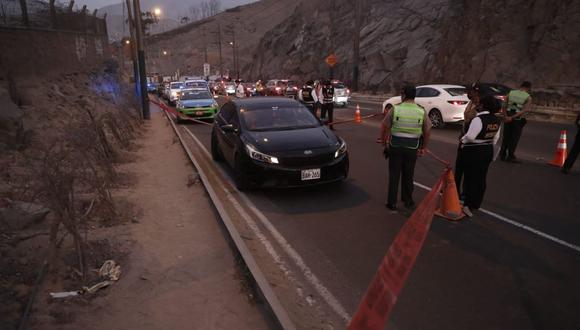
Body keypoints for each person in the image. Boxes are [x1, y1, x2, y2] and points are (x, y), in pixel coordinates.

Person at [380, 85, 431, 210]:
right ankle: (408, 200)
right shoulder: (421, 111)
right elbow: (427, 130)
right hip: (412, 148)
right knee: (409, 175)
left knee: (394, 175)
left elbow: (384, 126)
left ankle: (392, 202)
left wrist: (384, 144)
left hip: (395, 147)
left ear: (403, 95)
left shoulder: (395, 109)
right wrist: (423, 147)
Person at [460, 95, 502, 217]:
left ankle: (467, 205)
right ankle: (476, 203)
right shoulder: (496, 120)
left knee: (470, 178)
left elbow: (470, 137)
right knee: (481, 177)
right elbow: (496, 138)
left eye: (480, 104)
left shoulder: (478, 119)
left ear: (483, 105)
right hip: (487, 149)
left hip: (474, 151)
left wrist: (463, 140)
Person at [455, 83, 483, 197]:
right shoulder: (471, 103)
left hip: (471, 142)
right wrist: (461, 133)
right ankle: (454, 189)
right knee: (459, 168)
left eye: (469, 91)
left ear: (476, 92)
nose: (467, 93)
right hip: (464, 138)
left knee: (468, 170)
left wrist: (466, 137)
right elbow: (466, 119)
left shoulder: (481, 106)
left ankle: (465, 193)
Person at [500, 81, 533, 162]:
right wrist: (512, 117)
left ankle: (502, 154)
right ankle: (510, 156)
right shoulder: (528, 97)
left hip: (507, 116)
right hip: (517, 119)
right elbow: (525, 110)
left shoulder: (511, 93)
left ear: (521, 86)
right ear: (528, 88)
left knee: (506, 136)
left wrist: (505, 116)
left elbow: (504, 105)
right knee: (514, 138)